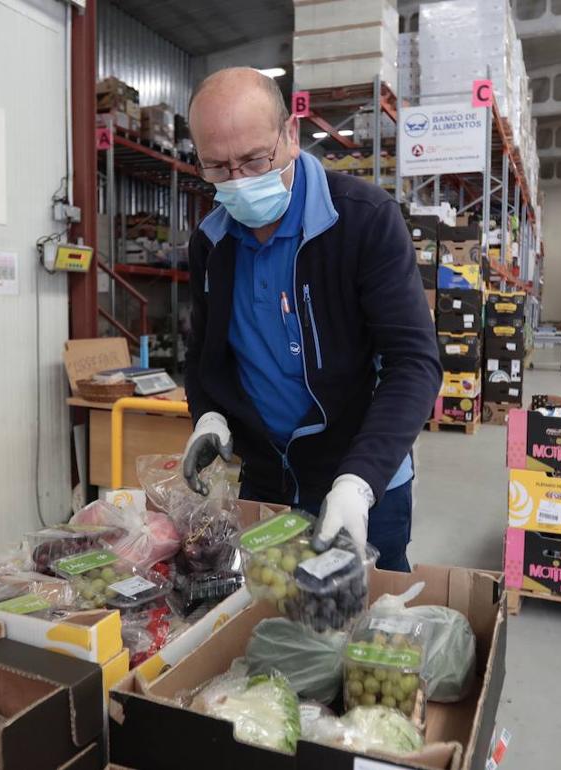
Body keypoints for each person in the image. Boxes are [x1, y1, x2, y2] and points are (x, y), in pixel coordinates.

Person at [180, 68, 441, 571]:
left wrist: (359, 482)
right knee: (271, 628)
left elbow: (414, 364)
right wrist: (208, 415)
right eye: (217, 167)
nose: (239, 181)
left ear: (291, 135)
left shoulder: (364, 220)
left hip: (363, 482)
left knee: (364, 632)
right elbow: (204, 355)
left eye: (255, 159)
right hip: (266, 483)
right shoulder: (210, 243)